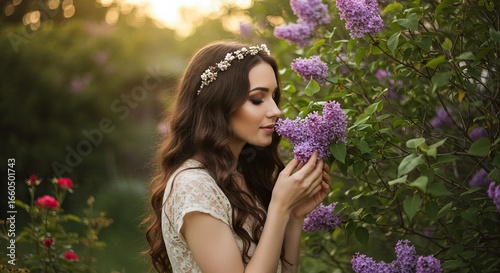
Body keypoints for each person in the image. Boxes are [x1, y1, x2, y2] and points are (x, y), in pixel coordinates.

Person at [143, 40, 331, 273]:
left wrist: (293, 216)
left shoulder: (243, 173)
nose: (275, 110)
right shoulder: (193, 185)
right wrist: (279, 207)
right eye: (257, 99)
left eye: (274, 96)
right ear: (218, 103)